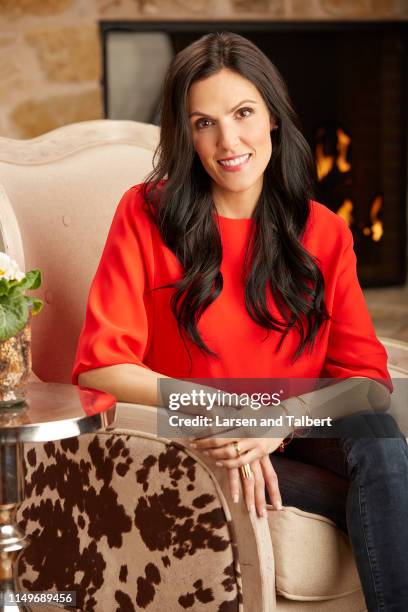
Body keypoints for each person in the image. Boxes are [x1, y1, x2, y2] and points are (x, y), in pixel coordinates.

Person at [72, 32, 408, 611]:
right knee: (390, 481)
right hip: (196, 429)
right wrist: (227, 413)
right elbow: (102, 366)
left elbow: (367, 384)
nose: (228, 141)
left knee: (379, 437)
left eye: (243, 113)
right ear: (186, 135)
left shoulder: (322, 229)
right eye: (203, 123)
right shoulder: (145, 214)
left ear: (273, 117)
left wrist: (277, 421)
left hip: (293, 423)